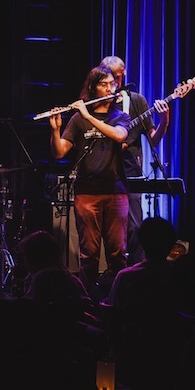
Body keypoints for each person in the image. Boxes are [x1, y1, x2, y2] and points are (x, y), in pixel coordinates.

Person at [49, 64, 131, 295]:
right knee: (89, 254)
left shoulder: (120, 117)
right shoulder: (78, 120)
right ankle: (87, 301)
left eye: (112, 84)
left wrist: (87, 115)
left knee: (118, 252)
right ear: (93, 88)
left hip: (115, 191)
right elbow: (59, 152)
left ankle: (119, 298)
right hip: (86, 192)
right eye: (103, 85)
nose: (109, 89)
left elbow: (119, 136)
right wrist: (55, 130)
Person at [99, 56, 171, 265]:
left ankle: (137, 271)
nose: (116, 83)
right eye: (112, 78)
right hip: (102, 173)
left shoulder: (137, 101)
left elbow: (153, 139)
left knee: (134, 227)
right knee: (107, 230)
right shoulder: (97, 104)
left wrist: (164, 120)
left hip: (130, 173)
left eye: (120, 77)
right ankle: (111, 274)